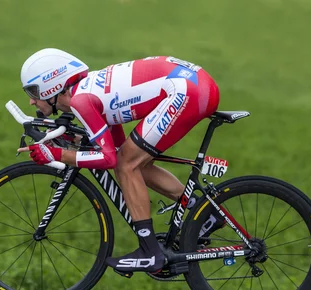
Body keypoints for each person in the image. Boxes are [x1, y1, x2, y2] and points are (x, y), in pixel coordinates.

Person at [17, 48, 220, 273]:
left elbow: (108, 158)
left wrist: (55, 155)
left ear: (51, 86)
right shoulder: (86, 91)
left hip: (185, 90)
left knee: (126, 163)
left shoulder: (81, 101)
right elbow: (112, 146)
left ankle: (149, 252)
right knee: (132, 160)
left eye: (33, 91)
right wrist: (71, 140)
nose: (31, 101)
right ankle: (204, 214)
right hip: (193, 83)